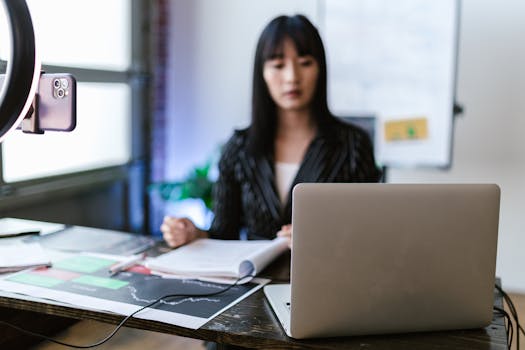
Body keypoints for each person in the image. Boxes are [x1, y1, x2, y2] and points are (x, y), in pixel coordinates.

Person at [161, 14, 381, 249]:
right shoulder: (240, 147)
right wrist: (195, 235)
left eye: (305, 63)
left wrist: (322, 238)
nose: (292, 77)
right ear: (262, 73)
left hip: (329, 278)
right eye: (278, 65)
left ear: (320, 69)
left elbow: (369, 233)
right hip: (254, 281)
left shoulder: (353, 144)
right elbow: (224, 233)